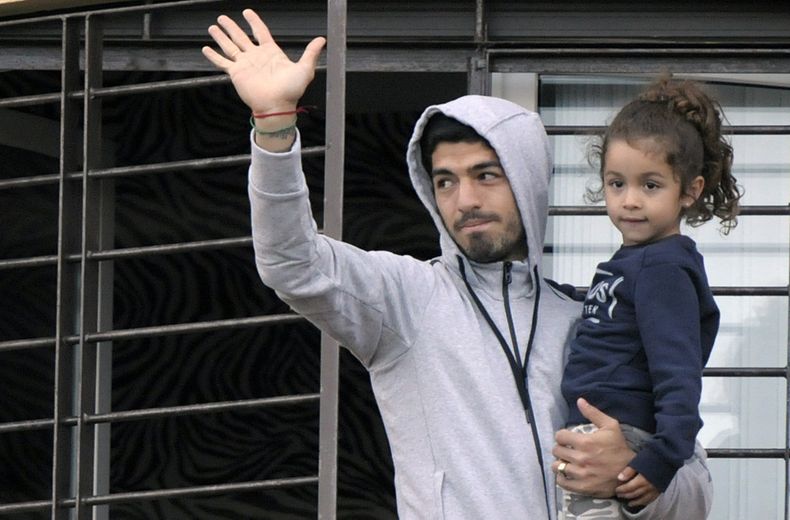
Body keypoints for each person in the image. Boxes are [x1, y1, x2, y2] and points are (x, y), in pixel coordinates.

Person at [202, 9, 713, 519]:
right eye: (445, 180)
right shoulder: (406, 299)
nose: (464, 199)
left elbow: (695, 490)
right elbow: (292, 263)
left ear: (527, 180)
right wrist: (274, 128)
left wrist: (631, 475)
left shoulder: (589, 314)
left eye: (486, 175)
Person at [554, 77, 741, 519]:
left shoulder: (663, 269)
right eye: (617, 184)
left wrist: (662, 459)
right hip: (603, 437)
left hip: (625, 441)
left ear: (689, 191)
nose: (630, 201)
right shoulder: (637, 261)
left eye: (650, 185)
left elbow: (678, 372)